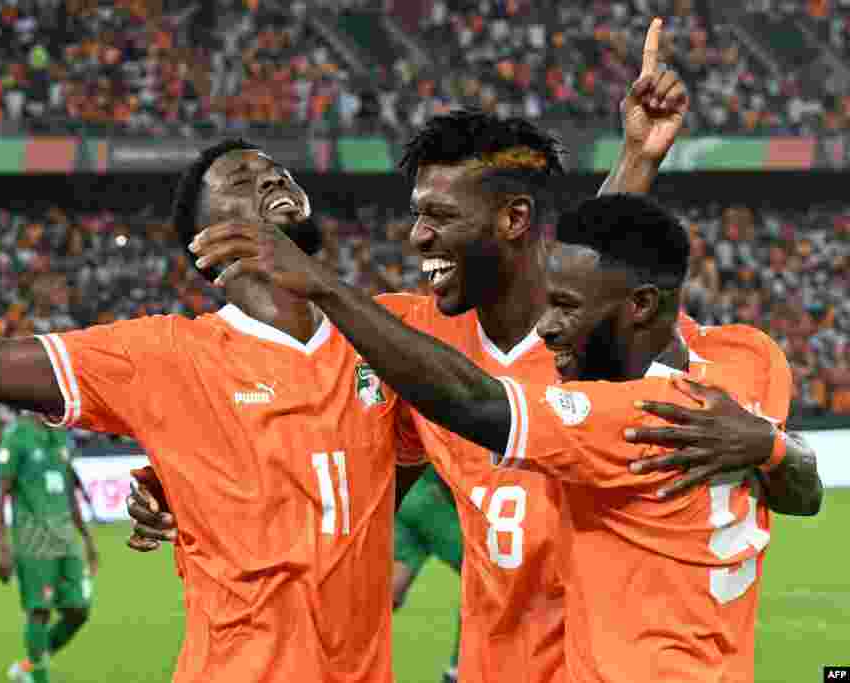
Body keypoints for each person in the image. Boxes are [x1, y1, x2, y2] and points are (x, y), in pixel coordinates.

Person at [134, 17, 819, 683]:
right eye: (416, 216)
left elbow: (577, 284)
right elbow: (302, 394)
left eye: (438, 216)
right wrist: (190, 476)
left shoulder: (602, 359)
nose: (416, 240)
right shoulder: (412, 338)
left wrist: (636, 162)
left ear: (512, 219)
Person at [0, 50, 430, 683]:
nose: (274, 179)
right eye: (242, 179)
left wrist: (214, 485)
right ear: (205, 242)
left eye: (280, 171)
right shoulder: (166, 355)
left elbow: (397, 463)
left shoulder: (391, 333)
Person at [190, 192, 823, 682]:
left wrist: (323, 286)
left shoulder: (624, 420)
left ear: (639, 307)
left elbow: (473, 400)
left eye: (566, 308)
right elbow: (805, 492)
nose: (545, 328)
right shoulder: (750, 359)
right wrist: (772, 446)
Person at [0, 413, 99, 683]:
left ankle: (30, 665)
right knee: (39, 610)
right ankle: (39, 677)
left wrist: (87, 539)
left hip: (66, 540)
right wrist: (2, 548)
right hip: (33, 541)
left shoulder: (61, 434)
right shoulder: (16, 436)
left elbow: (68, 493)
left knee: (79, 609)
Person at [392, 465, 463, 683]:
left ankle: (344, 660)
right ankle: (458, 671)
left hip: (409, 492)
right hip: (440, 501)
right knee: (489, 582)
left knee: (383, 597)